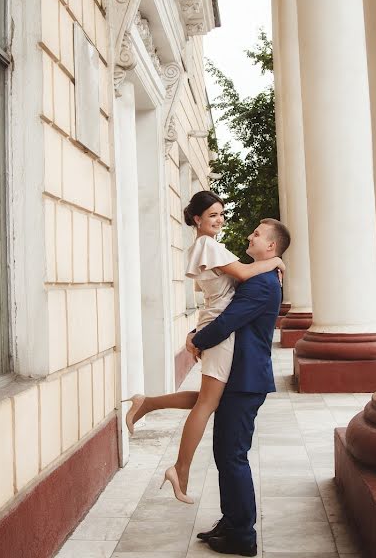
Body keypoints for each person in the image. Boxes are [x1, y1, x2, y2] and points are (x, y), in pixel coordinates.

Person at [120, 191, 284, 504]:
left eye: (221, 214)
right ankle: (180, 470)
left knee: (212, 398)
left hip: (212, 324)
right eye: (212, 215)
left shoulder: (203, 246)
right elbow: (247, 273)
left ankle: (148, 404)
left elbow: (216, 289)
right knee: (208, 404)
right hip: (219, 332)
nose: (219, 220)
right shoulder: (209, 245)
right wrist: (275, 260)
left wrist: (197, 331)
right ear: (197, 219)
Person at [189, 217, 290, 557]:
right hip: (239, 375)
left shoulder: (262, 285)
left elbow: (229, 320)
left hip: (246, 379)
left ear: (272, 246)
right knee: (225, 453)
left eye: (258, 234)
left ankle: (242, 535)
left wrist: (195, 341)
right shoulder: (263, 275)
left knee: (232, 455)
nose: (250, 235)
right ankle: (232, 521)